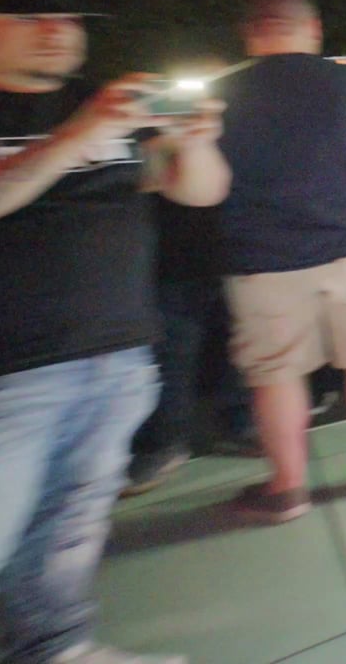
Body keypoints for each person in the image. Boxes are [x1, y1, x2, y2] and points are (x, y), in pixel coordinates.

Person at [0, 0, 229, 664]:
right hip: (5, 372)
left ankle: (56, 648)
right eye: (28, 17)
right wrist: (79, 133)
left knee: (66, 534)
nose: (56, 32)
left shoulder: (103, 104)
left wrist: (196, 142)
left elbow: (199, 192)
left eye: (68, 18)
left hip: (117, 358)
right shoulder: (88, 115)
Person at [214, 0, 346, 525]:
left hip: (264, 259)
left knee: (276, 373)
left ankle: (287, 488)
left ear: (250, 34)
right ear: (313, 29)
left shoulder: (220, 92)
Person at [124, 53, 255, 497]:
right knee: (171, 360)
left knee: (242, 353)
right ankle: (164, 444)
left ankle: (240, 425)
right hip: (172, 263)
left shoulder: (241, 128)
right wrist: (172, 136)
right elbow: (146, 179)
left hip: (238, 258)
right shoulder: (151, 131)